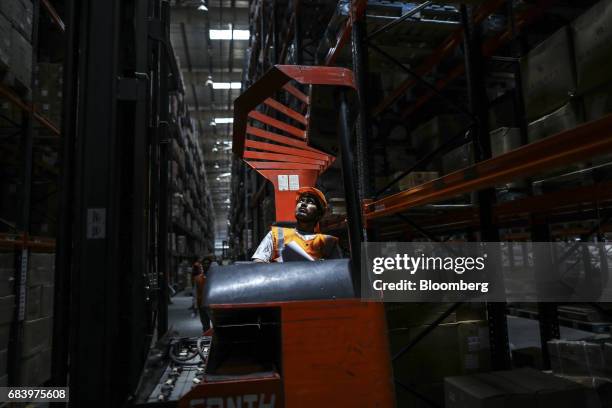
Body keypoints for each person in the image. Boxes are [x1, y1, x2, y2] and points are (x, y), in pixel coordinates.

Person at [252, 187, 341, 263]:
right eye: (301, 201)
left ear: (319, 214)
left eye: (310, 202)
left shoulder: (328, 242)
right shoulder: (277, 234)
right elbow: (259, 263)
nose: (303, 204)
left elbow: (337, 272)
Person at [194, 255, 213, 332]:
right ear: (202, 265)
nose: (206, 265)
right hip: (202, 305)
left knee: (215, 325)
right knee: (205, 326)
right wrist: (195, 305)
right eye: (204, 263)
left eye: (208, 263)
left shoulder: (214, 277)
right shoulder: (198, 278)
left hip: (212, 305)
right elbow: (195, 292)